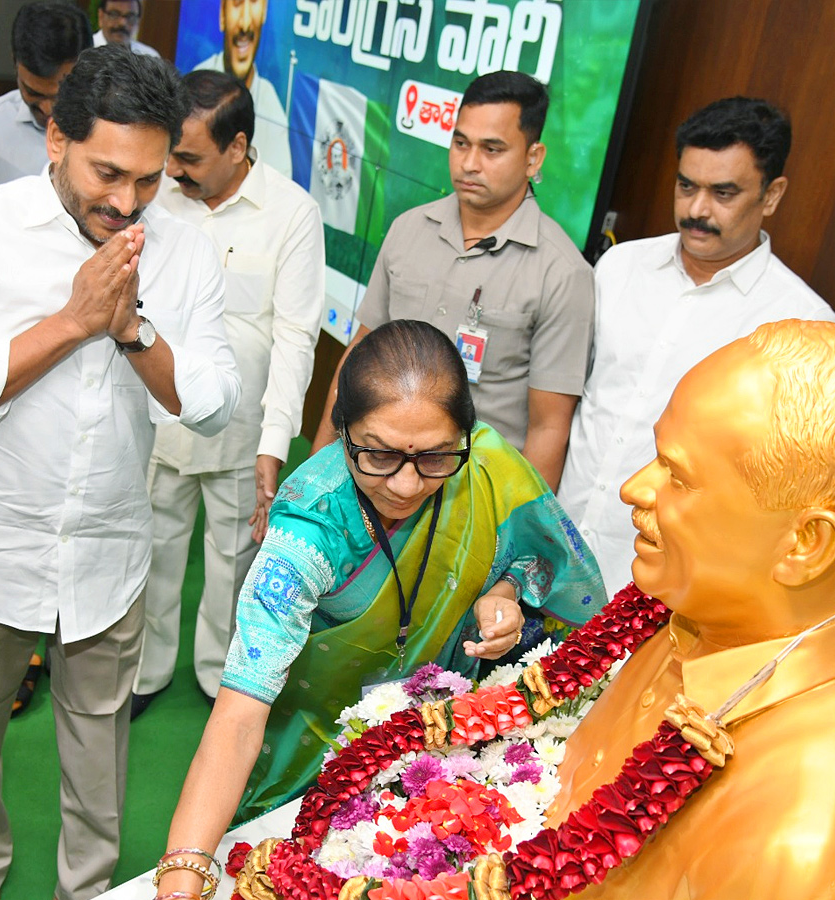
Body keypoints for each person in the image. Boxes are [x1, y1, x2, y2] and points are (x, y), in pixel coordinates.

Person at [0, 45, 240, 900]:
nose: (126, 202)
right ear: (55, 137)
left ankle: (87, 891)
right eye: (107, 173)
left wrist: (133, 334)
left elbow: (214, 399)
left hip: (110, 550)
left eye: (151, 180)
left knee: (100, 750)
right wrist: (74, 323)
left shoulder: (186, 250)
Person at [155, 320, 603, 895]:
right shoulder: (309, 530)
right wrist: (185, 869)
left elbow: (527, 556)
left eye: (436, 457)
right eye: (379, 455)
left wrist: (504, 592)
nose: (408, 484)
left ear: (468, 433)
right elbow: (240, 715)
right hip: (315, 742)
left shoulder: (486, 468)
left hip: (442, 737)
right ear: (343, 430)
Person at [547, 319, 835, 897]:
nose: (632, 488)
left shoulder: (798, 825)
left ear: (804, 545)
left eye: (677, 476)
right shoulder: (675, 618)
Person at [557, 97, 835, 598]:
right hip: (556, 554)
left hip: (665, 589)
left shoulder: (802, 322)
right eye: (687, 186)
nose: (697, 210)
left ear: (772, 195)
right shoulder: (620, 268)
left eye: (723, 193)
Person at [133, 69, 323, 717]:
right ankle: (147, 671)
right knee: (152, 550)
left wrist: (275, 443)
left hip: (242, 433)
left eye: (188, 157)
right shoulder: (157, 199)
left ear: (238, 147)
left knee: (230, 564)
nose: (173, 171)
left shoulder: (291, 213)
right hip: (156, 418)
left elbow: (296, 339)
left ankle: (220, 680)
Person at [312, 71, 593, 492]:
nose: (469, 163)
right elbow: (357, 358)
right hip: (373, 476)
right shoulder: (408, 230)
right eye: (461, 143)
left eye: (492, 149)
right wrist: (318, 467)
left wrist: (517, 538)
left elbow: (549, 428)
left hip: (471, 499)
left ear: (534, 159)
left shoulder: (562, 273)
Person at [0, 1, 91, 192]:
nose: (48, 109)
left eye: (61, 94)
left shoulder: (111, 126)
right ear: (15, 62)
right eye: (33, 92)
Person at [194, 0, 291, 175]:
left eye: (254, 3)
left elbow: (280, 185)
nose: (245, 23)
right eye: (237, 4)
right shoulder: (196, 84)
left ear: (263, 14)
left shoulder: (271, 107)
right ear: (222, 14)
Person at [93, 0, 159, 57]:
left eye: (130, 17)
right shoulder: (85, 46)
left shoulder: (149, 56)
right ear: (101, 16)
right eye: (114, 14)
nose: (122, 23)